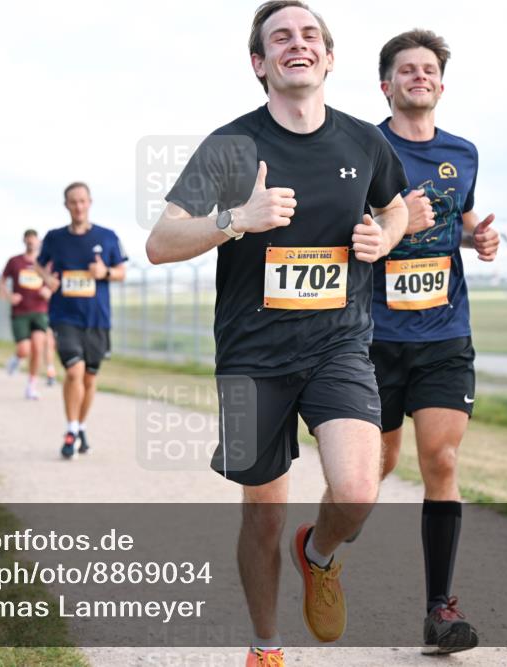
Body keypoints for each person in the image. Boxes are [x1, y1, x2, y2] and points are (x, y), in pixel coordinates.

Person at [144, 2, 410, 662]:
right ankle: (266, 645)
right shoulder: (232, 146)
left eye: (310, 35)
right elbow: (159, 241)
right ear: (260, 64)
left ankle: (317, 553)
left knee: (357, 488)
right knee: (262, 514)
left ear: (328, 57)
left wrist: (386, 236)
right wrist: (238, 217)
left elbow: (396, 204)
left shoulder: (362, 141)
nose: (299, 43)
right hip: (252, 355)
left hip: (339, 343)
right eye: (281, 37)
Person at [370, 29, 499, 655]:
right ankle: (319, 551)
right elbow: (346, 234)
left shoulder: (463, 153)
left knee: (441, 462)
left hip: (445, 332)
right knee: (374, 468)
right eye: (407, 69)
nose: (419, 76)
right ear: (386, 84)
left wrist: (478, 239)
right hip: (373, 337)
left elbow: (464, 215)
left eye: (429, 70)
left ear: (441, 85)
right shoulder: (366, 149)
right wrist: (395, 225)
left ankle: (439, 611)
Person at [35, 182, 127, 457]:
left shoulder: (108, 237)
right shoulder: (54, 238)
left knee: (89, 377)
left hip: (97, 318)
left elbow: (121, 271)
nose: (78, 206)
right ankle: (71, 429)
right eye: (72, 202)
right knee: (74, 371)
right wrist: (47, 278)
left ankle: (81, 425)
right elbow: (39, 264)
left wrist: (105, 272)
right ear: (66, 205)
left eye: (82, 201)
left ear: (90, 202)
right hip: (64, 315)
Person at [0, 229, 53, 399]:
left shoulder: (46, 263)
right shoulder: (14, 261)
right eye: (28, 241)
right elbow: (1, 282)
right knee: (24, 350)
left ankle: (31, 384)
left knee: (38, 347)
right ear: (24, 241)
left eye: (34, 241)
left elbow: (55, 281)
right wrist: (9, 296)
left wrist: (48, 291)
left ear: (39, 242)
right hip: (20, 311)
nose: (31, 243)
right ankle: (16, 359)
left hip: (40, 310)